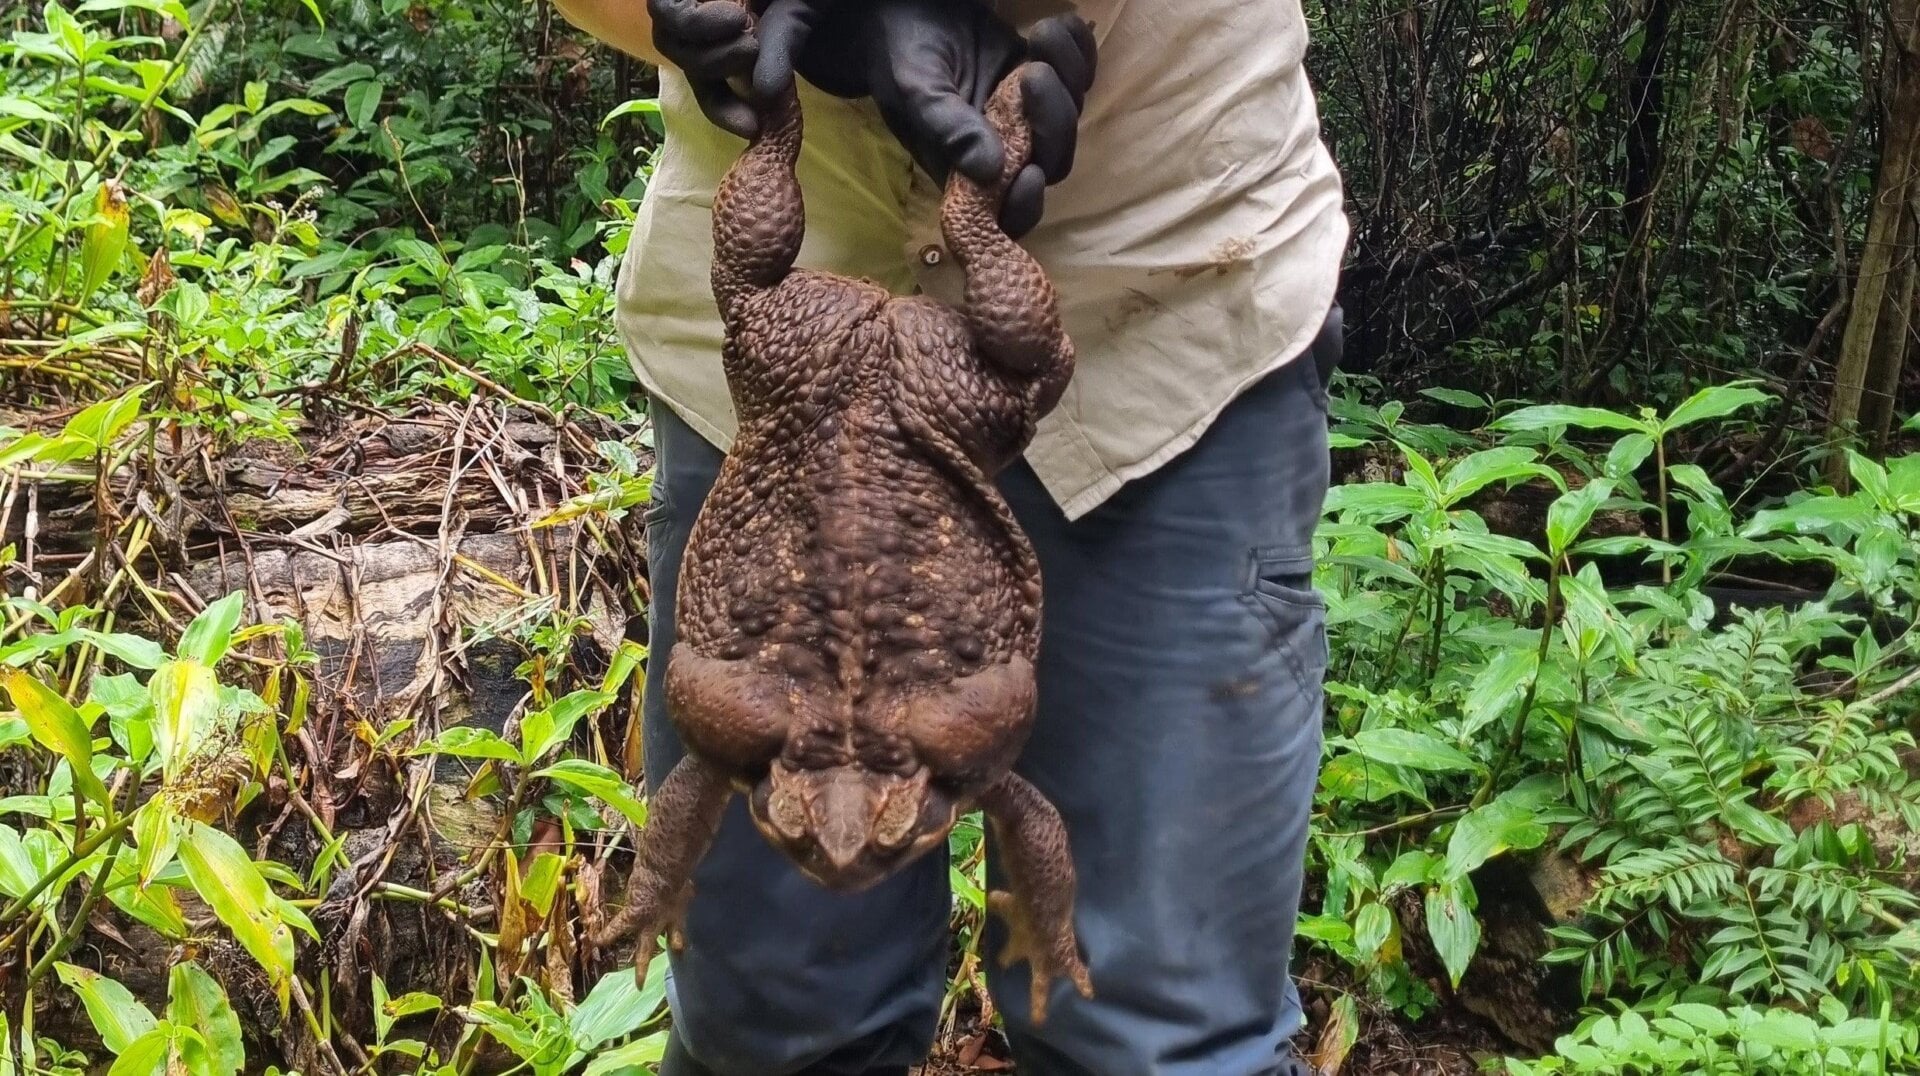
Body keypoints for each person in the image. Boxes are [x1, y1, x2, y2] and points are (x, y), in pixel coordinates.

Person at [548, 1, 1348, 1073]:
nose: (833, 849)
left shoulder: (928, 748)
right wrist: (752, 28)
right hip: (789, 368)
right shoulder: (822, 744)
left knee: (1159, 1033)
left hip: (1157, 285)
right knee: (769, 1034)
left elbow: (1000, 768)